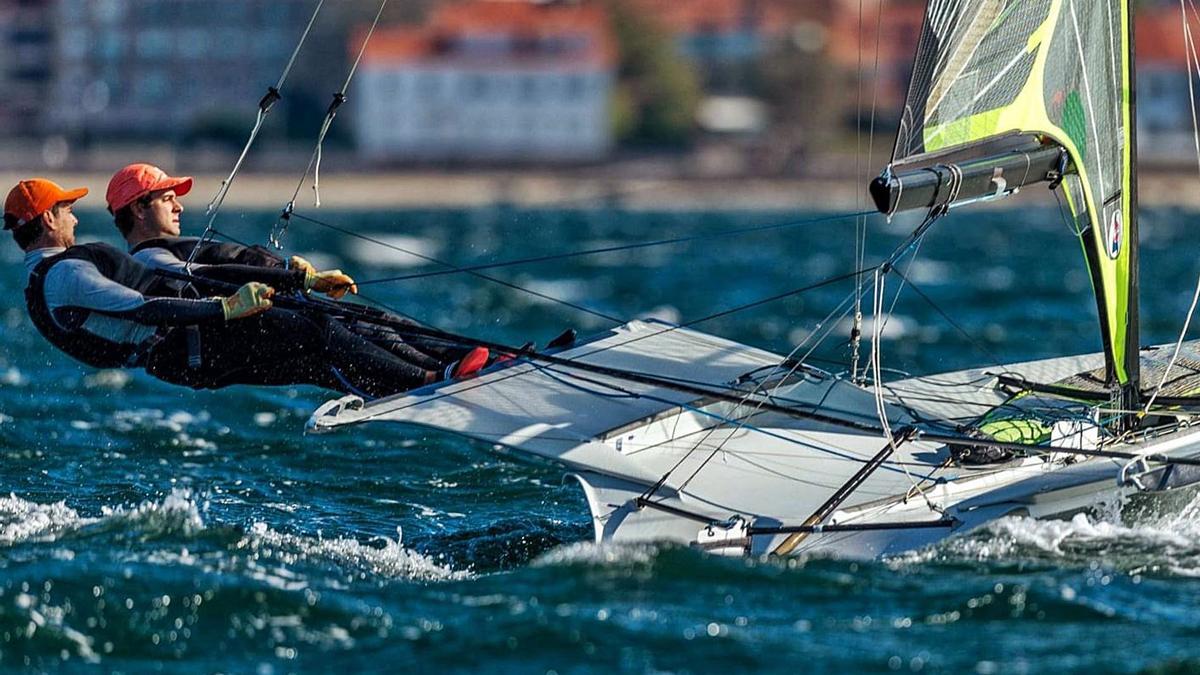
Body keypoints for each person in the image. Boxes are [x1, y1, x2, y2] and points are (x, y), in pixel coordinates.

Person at [9, 177, 488, 398]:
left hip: (194, 347)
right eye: (66, 208)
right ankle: (434, 378)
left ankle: (440, 370)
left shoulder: (58, 272)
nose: (73, 214)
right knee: (319, 325)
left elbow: (214, 275)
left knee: (321, 343)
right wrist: (226, 308)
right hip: (194, 347)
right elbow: (144, 306)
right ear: (49, 218)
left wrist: (294, 277)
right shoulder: (65, 275)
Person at [105, 162, 478, 376]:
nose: (179, 207)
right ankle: (433, 376)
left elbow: (235, 261)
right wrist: (301, 279)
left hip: (237, 338)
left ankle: (461, 360)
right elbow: (223, 276)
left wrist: (289, 271)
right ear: (139, 209)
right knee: (324, 330)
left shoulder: (164, 249)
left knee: (361, 319)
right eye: (168, 199)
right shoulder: (148, 259)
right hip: (211, 354)